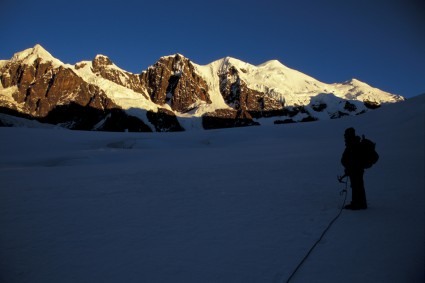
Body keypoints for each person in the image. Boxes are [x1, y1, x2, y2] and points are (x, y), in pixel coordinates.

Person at [341, 127, 368, 210]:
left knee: (356, 185)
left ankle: (357, 203)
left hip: (355, 169)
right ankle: (360, 203)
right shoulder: (353, 143)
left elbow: (353, 158)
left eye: (346, 135)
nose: (345, 137)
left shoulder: (353, 144)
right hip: (355, 169)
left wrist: (350, 167)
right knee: (357, 185)